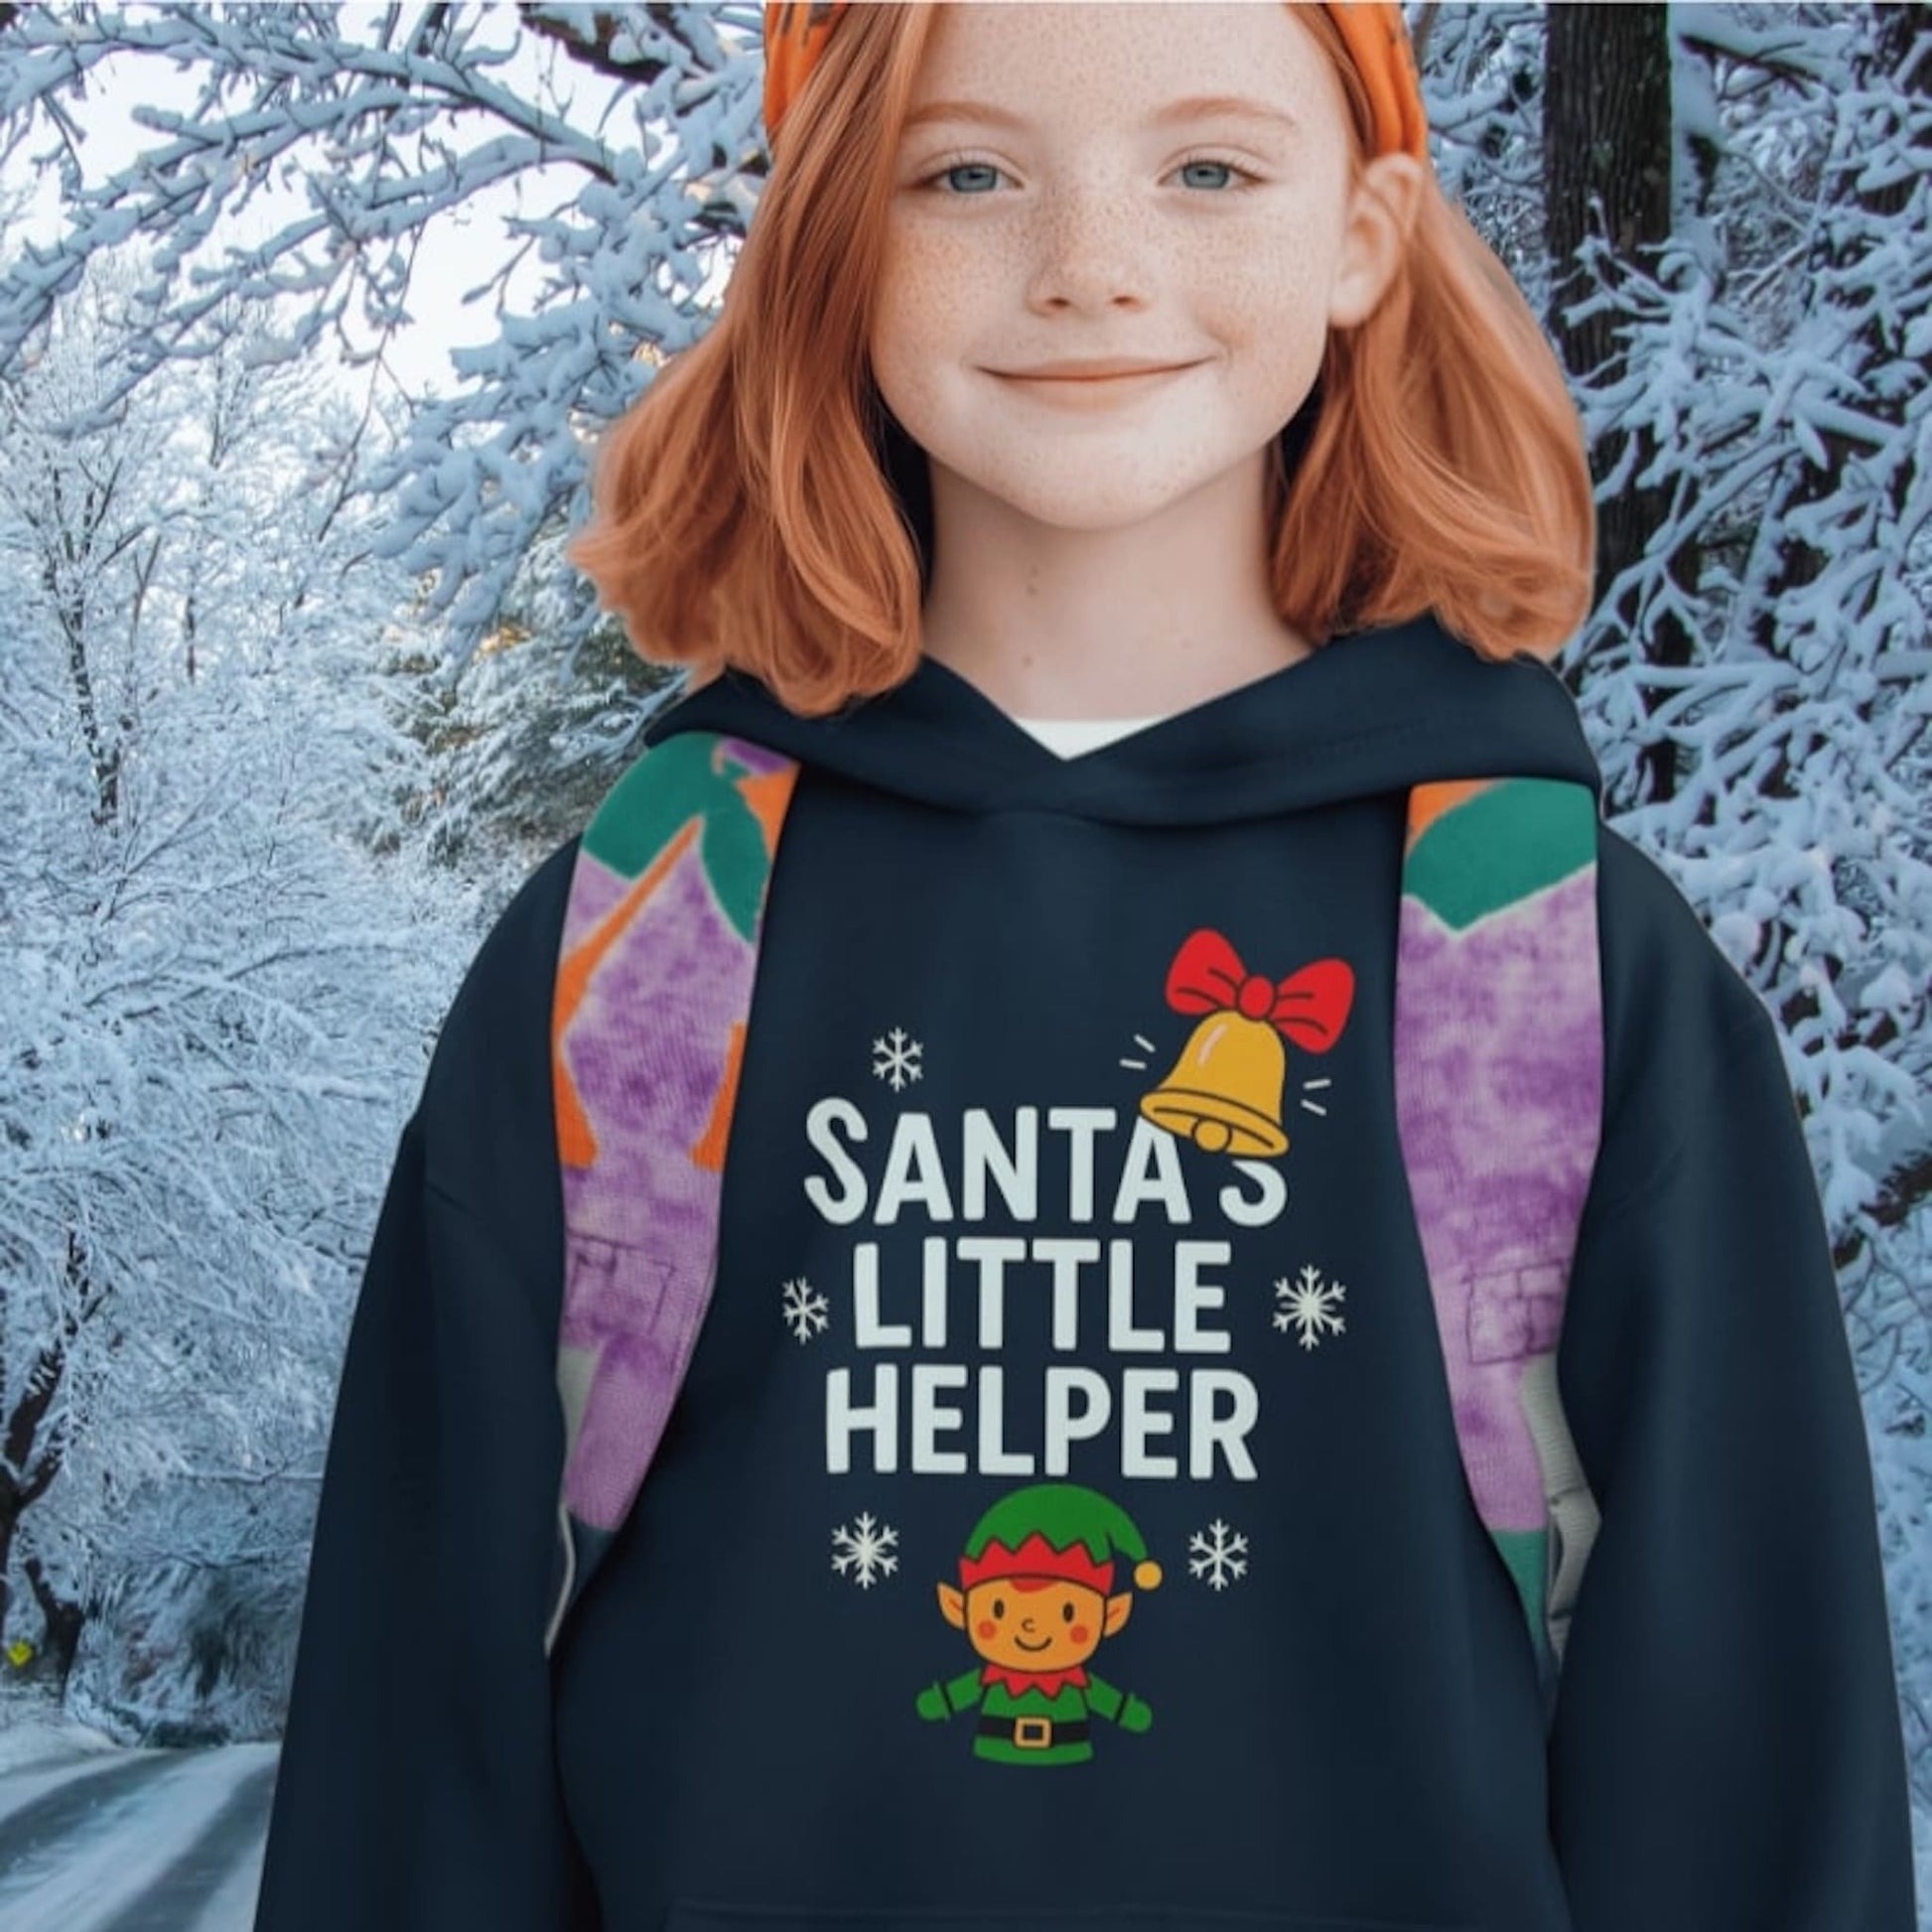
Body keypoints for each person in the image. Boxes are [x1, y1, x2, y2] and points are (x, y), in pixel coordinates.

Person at [252, 6, 1919, 1930]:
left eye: (1206, 167)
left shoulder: (1555, 964)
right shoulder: (639, 947)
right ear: (831, 232)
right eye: (967, 172)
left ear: (1367, 230)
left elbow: (1752, 1814)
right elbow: (415, 1782)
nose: (1089, 264)